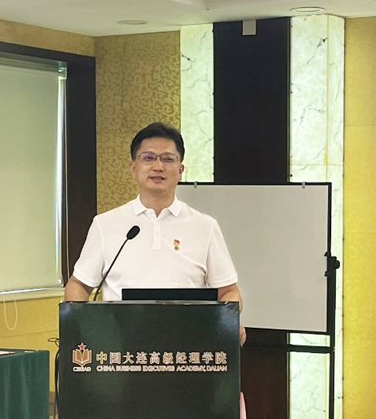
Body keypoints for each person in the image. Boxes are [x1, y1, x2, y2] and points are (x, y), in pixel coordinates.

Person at [64, 122, 246, 344]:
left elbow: (228, 292)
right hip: (121, 350)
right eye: (148, 158)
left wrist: (230, 321)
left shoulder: (204, 226)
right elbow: (79, 285)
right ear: (133, 168)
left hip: (188, 347)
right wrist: (83, 330)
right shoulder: (105, 224)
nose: (158, 166)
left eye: (168, 159)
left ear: (180, 170)